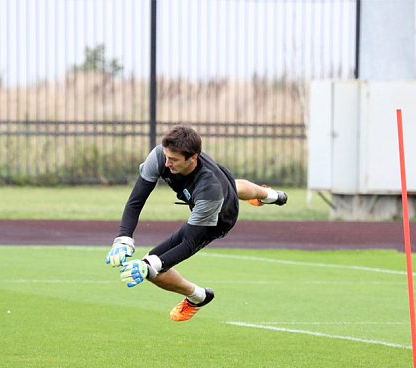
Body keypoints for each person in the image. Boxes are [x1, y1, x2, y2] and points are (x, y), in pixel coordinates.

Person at [105, 124, 287, 321]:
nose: (167, 163)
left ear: (193, 158)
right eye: (166, 156)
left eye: (174, 160)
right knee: (234, 186)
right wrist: (124, 238)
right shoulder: (159, 156)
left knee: (152, 270)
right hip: (213, 189)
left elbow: (189, 243)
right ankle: (271, 195)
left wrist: (150, 264)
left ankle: (198, 297)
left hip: (219, 218)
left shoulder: (210, 189)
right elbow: (136, 201)